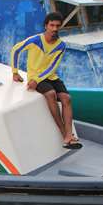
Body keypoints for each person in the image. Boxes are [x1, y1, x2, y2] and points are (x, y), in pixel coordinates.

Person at [10, 12, 80, 149]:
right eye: (52, 25)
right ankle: (65, 134)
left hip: (49, 76)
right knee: (50, 94)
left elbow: (52, 67)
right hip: (35, 75)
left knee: (66, 98)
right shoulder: (35, 40)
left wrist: (37, 79)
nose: (54, 29)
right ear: (46, 26)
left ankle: (69, 133)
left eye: (57, 26)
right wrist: (15, 72)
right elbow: (15, 50)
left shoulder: (61, 45)